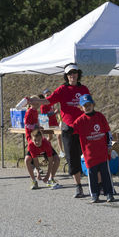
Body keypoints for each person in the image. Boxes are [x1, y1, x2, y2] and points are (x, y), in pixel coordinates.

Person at [28, 63, 90, 198]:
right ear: (66, 76)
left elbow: (90, 106)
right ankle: (78, 187)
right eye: (69, 74)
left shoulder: (84, 89)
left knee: (88, 156)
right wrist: (35, 100)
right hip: (68, 129)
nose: (72, 76)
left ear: (78, 74)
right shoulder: (62, 89)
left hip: (83, 127)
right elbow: (48, 101)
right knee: (72, 158)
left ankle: (98, 185)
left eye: (74, 73)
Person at [64, 94, 115, 203]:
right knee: (92, 176)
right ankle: (95, 195)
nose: (87, 107)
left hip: (102, 153)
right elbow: (72, 130)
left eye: (89, 104)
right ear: (81, 108)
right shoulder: (80, 120)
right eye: (85, 105)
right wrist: (65, 128)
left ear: (93, 104)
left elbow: (108, 132)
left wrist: (109, 145)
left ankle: (109, 194)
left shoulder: (100, 116)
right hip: (89, 155)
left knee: (106, 174)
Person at [40, 89, 64, 156]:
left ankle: (61, 152)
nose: (48, 96)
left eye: (50, 95)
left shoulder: (52, 103)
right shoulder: (43, 105)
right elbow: (44, 115)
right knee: (50, 138)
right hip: (47, 123)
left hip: (54, 122)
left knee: (59, 135)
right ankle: (42, 148)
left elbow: (56, 112)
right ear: (44, 96)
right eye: (47, 95)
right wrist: (54, 112)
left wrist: (58, 113)